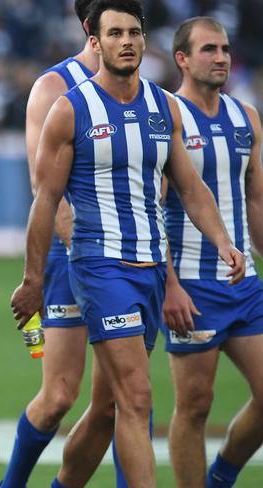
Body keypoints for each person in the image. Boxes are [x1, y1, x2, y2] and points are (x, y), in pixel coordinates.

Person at [10, 1, 246, 487]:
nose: (127, 42)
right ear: (93, 39)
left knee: (112, 405)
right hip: (98, 266)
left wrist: (221, 239)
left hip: (151, 268)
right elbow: (45, 199)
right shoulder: (67, 105)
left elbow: (189, 187)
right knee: (135, 398)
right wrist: (33, 280)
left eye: (134, 33)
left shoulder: (163, 106)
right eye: (115, 33)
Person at [0, 1, 131, 487]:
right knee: (58, 396)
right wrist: (85, 252)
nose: (125, 39)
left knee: (123, 396)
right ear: (90, 29)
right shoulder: (54, 86)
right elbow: (46, 189)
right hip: (70, 255)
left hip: (131, 256)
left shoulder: (143, 89)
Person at [162, 17, 263, 488]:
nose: (221, 57)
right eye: (208, 49)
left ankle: (220, 477)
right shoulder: (168, 117)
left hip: (243, 281)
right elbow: (152, 205)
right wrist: (170, 285)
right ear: (182, 59)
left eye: (224, 49)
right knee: (196, 405)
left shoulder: (247, 116)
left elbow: (256, 199)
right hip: (192, 284)